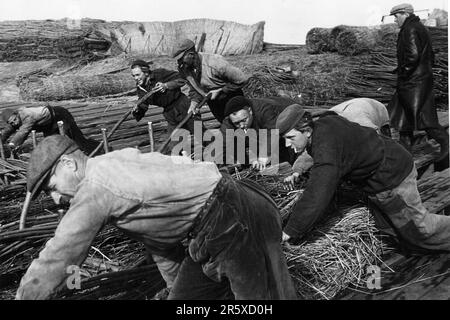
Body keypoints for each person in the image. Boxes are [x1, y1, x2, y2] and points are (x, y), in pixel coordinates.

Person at [15, 135, 297, 300]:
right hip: (211, 227)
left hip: (233, 216)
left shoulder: (96, 187)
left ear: (68, 163)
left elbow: (61, 253)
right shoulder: (111, 163)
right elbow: (160, 242)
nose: (55, 198)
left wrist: (25, 296)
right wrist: (174, 285)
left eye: (52, 187)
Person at [276, 104, 450, 252]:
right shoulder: (324, 124)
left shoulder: (326, 147)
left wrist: (291, 230)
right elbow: (318, 155)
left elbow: (317, 192)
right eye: (285, 139)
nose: (287, 144)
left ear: (306, 131)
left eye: (291, 138)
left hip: (392, 176)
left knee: (421, 231)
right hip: (388, 163)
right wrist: (298, 169)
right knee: (387, 226)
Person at [387, 3, 449, 167]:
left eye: (397, 16)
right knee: (403, 120)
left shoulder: (410, 29)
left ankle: (447, 144)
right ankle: (405, 156)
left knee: (425, 119)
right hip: (419, 81)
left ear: (405, 14)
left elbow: (413, 56)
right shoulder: (419, 26)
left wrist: (404, 72)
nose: (395, 20)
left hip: (413, 84)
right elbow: (429, 55)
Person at [284, 98, 392, 188]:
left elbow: (375, 142)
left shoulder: (359, 122)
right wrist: (297, 171)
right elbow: (311, 151)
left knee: (384, 150)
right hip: (350, 108)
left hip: (376, 109)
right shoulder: (324, 125)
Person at [130, 60, 203, 153]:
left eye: (138, 75)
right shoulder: (141, 89)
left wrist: (166, 85)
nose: (136, 78)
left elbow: (182, 79)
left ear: (146, 73)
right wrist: (137, 110)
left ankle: (221, 155)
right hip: (170, 114)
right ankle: (185, 163)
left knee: (201, 135)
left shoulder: (160, 74)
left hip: (184, 106)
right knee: (174, 146)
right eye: (134, 76)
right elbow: (144, 105)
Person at [172, 39, 250, 123]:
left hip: (232, 98)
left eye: (180, 58)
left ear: (191, 54)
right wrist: (194, 103)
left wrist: (221, 91)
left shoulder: (215, 63)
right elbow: (194, 89)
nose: (179, 62)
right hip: (214, 103)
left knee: (242, 125)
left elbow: (242, 79)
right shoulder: (184, 68)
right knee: (227, 127)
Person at [218, 96, 297, 170]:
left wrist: (265, 154)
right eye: (236, 123)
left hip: (288, 114)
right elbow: (221, 144)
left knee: (289, 149)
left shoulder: (263, 110)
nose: (241, 126)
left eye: (244, 120)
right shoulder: (228, 122)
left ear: (250, 110)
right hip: (263, 129)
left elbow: (273, 132)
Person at [1, 105, 99, 155]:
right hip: (48, 125)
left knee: (77, 139)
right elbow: (7, 131)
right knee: (52, 144)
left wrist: (12, 145)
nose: (14, 123)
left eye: (14, 120)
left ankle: (98, 149)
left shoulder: (27, 115)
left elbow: (23, 132)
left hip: (60, 115)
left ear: (16, 114)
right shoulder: (14, 120)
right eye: (11, 122)